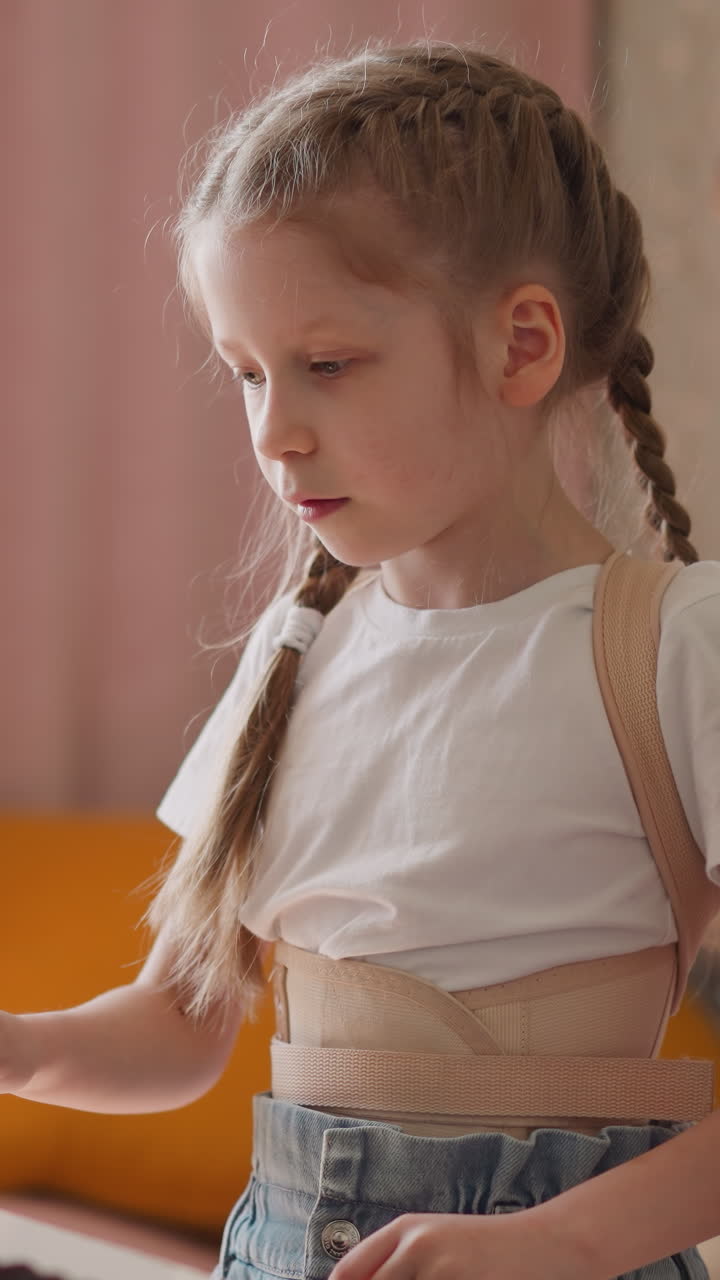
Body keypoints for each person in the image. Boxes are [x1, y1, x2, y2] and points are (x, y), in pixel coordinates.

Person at [3, 38, 720, 1280]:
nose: (275, 432)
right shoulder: (294, 661)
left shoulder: (672, 646)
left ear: (522, 346)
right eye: (245, 374)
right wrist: (16, 1046)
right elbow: (181, 1030)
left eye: (326, 364)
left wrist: (553, 1240)